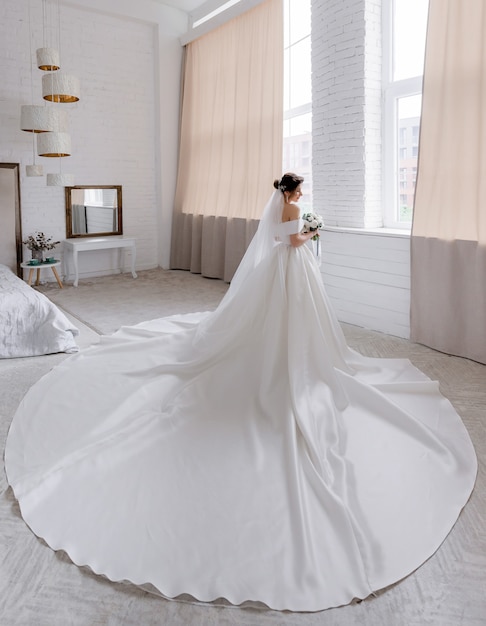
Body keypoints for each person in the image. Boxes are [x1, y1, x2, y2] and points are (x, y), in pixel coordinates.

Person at [5, 174, 477, 612]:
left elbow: (278, 240)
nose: (301, 197)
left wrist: (307, 229)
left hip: (284, 272)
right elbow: (292, 241)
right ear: (293, 193)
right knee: (285, 329)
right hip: (292, 268)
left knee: (282, 322)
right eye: (300, 192)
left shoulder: (279, 209)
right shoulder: (292, 213)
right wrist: (313, 231)